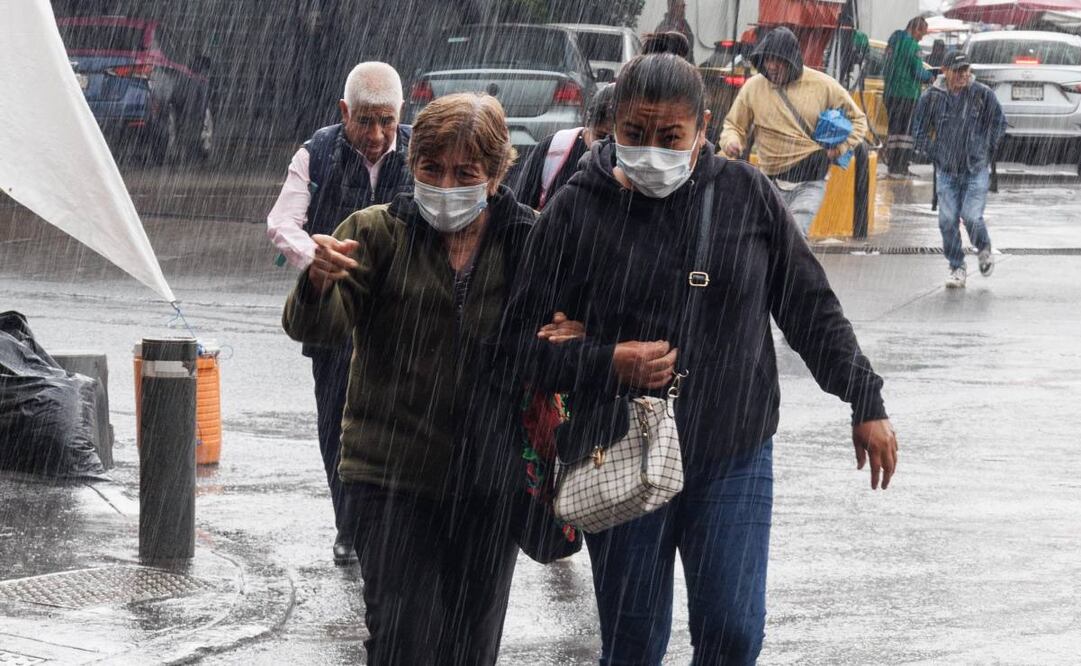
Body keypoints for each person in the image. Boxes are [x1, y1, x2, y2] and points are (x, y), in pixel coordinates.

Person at [504, 52, 898, 664]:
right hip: (619, 448)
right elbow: (520, 346)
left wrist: (864, 398)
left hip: (733, 452)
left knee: (734, 634)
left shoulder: (747, 196)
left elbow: (809, 308)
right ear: (613, 128)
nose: (651, 150)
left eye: (670, 137)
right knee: (633, 642)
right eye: (635, 134)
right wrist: (607, 361)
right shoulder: (575, 209)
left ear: (702, 129)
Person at [282, 93, 580, 665]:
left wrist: (572, 332)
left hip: (491, 480)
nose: (446, 184)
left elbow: (564, 332)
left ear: (495, 176)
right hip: (390, 475)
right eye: (431, 168)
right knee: (402, 644)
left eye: (465, 173)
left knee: (471, 649)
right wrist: (318, 281)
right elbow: (316, 330)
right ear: (412, 165)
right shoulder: (375, 233)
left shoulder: (531, 240)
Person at [266, 61, 413, 565]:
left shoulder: (420, 152)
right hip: (333, 315)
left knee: (398, 421)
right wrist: (315, 257)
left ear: (401, 115)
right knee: (336, 424)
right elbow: (282, 223)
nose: (376, 134)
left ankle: (390, 523)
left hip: (400, 317)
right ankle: (347, 527)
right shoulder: (317, 153)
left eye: (387, 122)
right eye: (365, 120)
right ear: (344, 112)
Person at [720, 27, 868, 236]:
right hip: (769, 183)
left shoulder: (823, 85)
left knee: (794, 238)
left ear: (792, 61)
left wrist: (841, 148)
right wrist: (731, 142)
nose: (772, 66)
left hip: (810, 181)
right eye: (767, 59)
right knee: (765, 242)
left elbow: (858, 119)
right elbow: (734, 126)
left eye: (778, 60)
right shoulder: (754, 88)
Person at [912, 51, 1007, 288]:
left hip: (975, 168)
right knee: (947, 220)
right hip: (946, 171)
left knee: (972, 217)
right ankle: (957, 266)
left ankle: (983, 248)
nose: (963, 75)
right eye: (958, 70)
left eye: (966, 70)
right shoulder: (931, 97)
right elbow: (919, 130)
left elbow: (999, 122)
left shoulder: (982, 94)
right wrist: (933, 152)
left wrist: (986, 147)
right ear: (945, 71)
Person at [512, 84, 615, 210]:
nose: (606, 146)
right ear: (588, 124)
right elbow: (519, 213)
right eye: (600, 136)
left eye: (615, 140)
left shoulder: (632, 167)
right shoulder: (555, 148)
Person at [883, 17, 934, 177]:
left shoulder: (893, 42)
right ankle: (902, 166)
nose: (921, 38)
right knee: (906, 132)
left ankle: (892, 166)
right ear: (916, 29)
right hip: (907, 94)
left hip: (890, 94)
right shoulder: (912, 45)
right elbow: (917, 71)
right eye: (922, 34)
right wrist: (930, 77)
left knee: (894, 131)